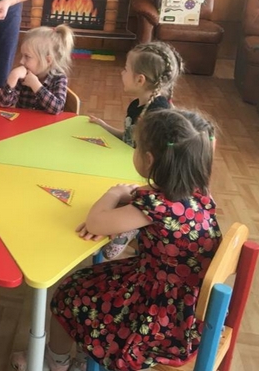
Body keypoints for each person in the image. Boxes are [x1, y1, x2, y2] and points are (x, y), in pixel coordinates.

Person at [11, 108, 221, 371]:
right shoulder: (199, 193)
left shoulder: (154, 206)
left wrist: (113, 194)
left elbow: (95, 223)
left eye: (136, 147)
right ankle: (81, 359)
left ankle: (56, 362)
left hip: (158, 319)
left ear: (148, 160)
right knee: (92, 281)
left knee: (69, 293)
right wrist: (128, 204)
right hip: (189, 309)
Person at [89, 41, 183, 259]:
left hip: (146, 176)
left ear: (140, 79)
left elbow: (155, 161)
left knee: (106, 196)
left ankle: (129, 228)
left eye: (125, 69)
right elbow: (130, 139)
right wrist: (105, 127)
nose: (122, 73)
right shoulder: (137, 105)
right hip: (129, 164)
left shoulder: (157, 114)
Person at [0, 24, 74, 114]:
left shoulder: (59, 78)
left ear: (48, 60)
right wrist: (13, 77)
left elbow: (57, 108)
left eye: (27, 56)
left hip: (47, 123)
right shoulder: (23, 76)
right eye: (22, 55)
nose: (21, 61)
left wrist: (36, 85)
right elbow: (3, 104)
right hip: (24, 121)